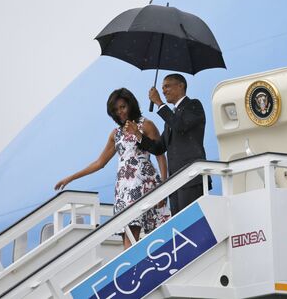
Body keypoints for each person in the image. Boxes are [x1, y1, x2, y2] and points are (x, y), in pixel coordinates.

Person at [54, 88, 169, 250]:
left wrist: (164, 186)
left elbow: (160, 155)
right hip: (123, 189)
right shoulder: (115, 134)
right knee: (127, 233)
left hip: (145, 185)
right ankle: (131, 271)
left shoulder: (146, 125)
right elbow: (100, 163)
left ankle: (140, 270)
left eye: (122, 107)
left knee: (152, 234)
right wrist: (71, 178)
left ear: (131, 105)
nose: (120, 112)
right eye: (115, 110)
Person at [125, 73, 209, 215]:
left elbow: (181, 126)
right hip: (175, 181)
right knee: (180, 226)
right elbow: (159, 148)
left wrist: (159, 103)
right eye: (162, 87)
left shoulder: (193, 105)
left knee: (191, 222)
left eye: (167, 86)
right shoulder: (171, 118)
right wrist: (138, 135)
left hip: (191, 178)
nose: (163, 91)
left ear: (181, 86)